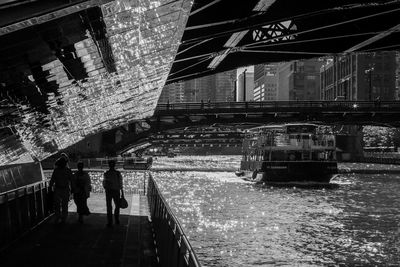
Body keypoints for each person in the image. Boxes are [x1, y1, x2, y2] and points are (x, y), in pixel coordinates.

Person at [50, 156, 73, 224]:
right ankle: (63, 218)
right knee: (64, 204)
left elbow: (52, 180)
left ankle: (58, 216)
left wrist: (50, 187)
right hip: (65, 189)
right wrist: (72, 189)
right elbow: (71, 180)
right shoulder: (68, 170)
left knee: (57, 204)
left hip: (57, 189)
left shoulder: (56, 170)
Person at [103, 160, 123, 227]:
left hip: (108, 191)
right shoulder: (117, 173)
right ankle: (116, 219)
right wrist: (122, 192)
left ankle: (110, 221)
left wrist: (106, 187)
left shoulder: (106, 173)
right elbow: (120, 183)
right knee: (117, 206)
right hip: (116, 191)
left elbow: (104, 183)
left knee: (109, 206)